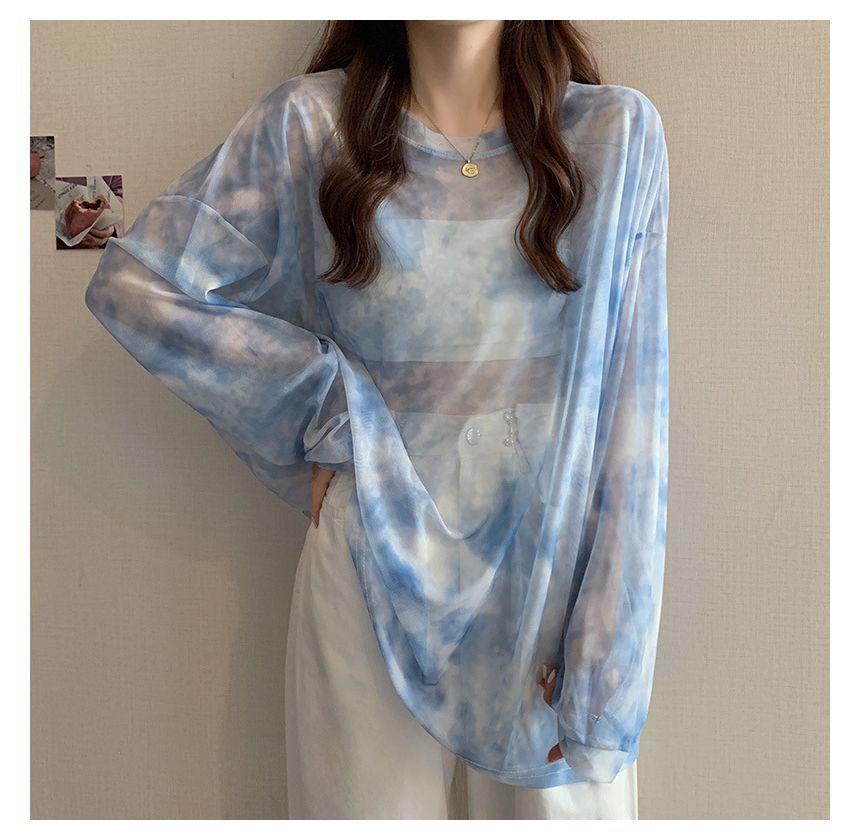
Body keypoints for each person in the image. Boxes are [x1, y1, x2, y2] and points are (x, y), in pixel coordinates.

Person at [84, 20, 670, 820]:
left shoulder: (614, 136)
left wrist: (608, 656)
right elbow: (138, 290)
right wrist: (329, 402)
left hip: (549, 589)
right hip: (369, 564)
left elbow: (634, 417)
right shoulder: (308, 126)